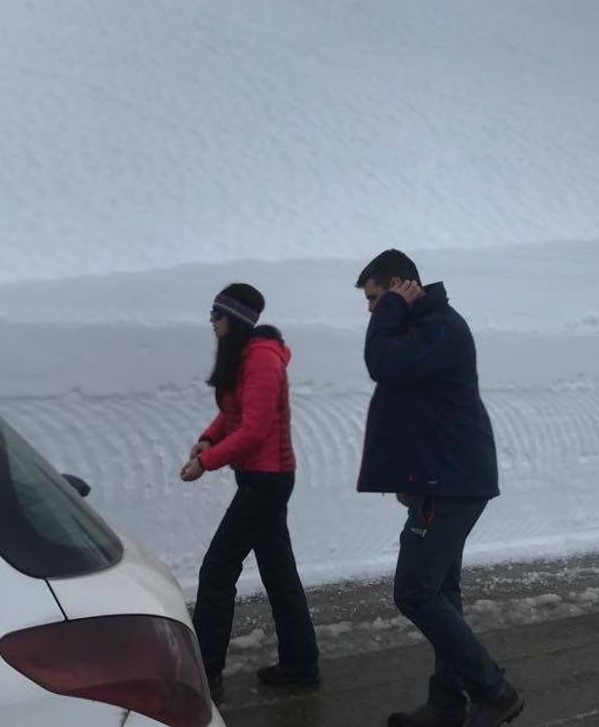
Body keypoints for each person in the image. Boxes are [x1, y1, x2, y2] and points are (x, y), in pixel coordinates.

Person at [355, 251, 523, 727]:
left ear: (398, 288)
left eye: (374, 298)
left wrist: (389, 310)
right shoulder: (424, 329)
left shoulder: (439, 328)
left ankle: (494, 690)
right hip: (442, 478)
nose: (371, 309)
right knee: (441, 593)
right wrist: (409, 476)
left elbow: (381, 364)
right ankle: (448, 704)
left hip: (453, 481)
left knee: (415, 592)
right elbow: (415, 407)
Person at [180, 282, 320, 702]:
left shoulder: (261, 360)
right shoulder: (245, 358)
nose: (212, 322)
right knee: (279, 573)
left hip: (268, 480)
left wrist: (205, 462)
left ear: (235, 320)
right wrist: (207, 438)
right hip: (260, 478)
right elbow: (233, 415)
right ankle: (301, 665)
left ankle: (207, 675)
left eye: (217, 315)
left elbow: (255, 430)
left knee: (218, 568)